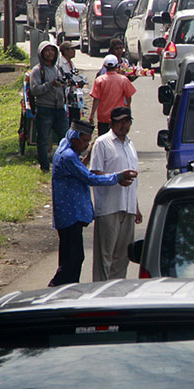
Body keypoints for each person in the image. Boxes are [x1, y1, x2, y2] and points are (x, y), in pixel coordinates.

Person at [49, 119, 136, 286]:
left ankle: (65, 287)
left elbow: (80, 169)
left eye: (88, 141)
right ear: (74, 138)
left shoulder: (64, 147)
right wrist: (117, 177)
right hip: (70, 214)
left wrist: (88, 156)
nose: (86, 145)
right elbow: (89, 177)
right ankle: (59, 287)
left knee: (69, 256)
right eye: (84, 141)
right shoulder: (68, 157)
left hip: (69, 215)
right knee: (74, 257)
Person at [89, 106, 141, 280]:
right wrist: (117, 177)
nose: (123, 126)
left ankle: (117, 293)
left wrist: (137, 206)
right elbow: (95, 173)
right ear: (111, 123)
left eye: (126, 121)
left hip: (128, 207)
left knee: (123, 256)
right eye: (119, 122)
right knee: (105, 256)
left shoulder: (130, 144)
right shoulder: (102, 143)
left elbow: (134, 179)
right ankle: (100, 293)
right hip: (109, 207)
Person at [28, 41, 69, 172]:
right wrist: (51, 84)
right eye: (47, 51)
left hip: (60, 109)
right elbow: (35, 90)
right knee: (43, 139)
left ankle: (65, 165)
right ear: (41, 53)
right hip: (45, 108)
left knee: (66, 137)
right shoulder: (37, 71)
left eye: (52, 50)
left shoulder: (58, 69)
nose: (50, 53)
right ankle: (45, 167)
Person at [89, 54, 136, 136]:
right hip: (119, 116)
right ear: (117, 65)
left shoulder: (99, 80)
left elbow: (96, 99)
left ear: (104, 66)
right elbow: (129, 97)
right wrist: (128, 109)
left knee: (103, 139)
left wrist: (92, 114)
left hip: (103, 117)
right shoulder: (123, 80)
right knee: (118, 139)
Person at [56, 41, 85, 122]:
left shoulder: (71, 63)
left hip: (73, 95)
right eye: (71, 49)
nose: (74, 51)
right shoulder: (60, 64)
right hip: (65, 96)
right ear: (65, 51)